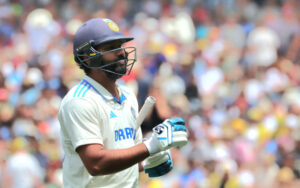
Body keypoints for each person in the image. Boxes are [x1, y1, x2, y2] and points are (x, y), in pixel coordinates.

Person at [58, 18, 188, 188]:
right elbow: (96, 164)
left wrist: (147, 162)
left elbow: (125, 155)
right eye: (110, 48)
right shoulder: (80, 101)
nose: (121, 53)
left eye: (120, 46)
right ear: (87, 58)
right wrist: (152, 145)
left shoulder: (127, 95)